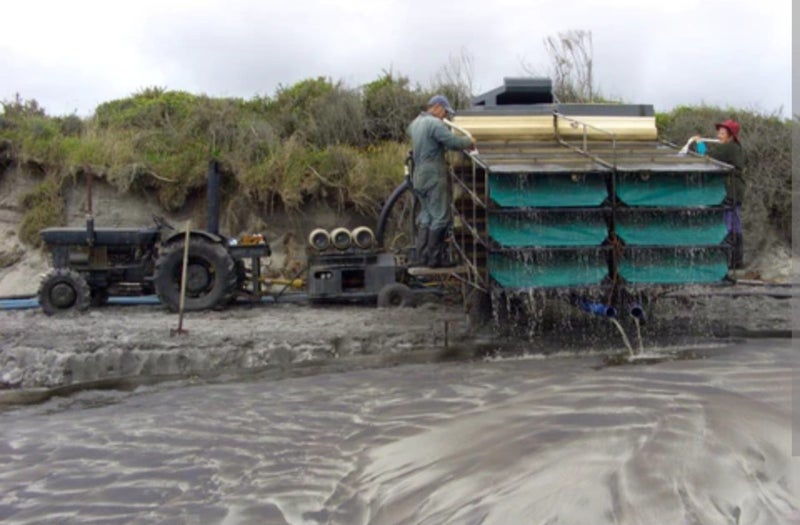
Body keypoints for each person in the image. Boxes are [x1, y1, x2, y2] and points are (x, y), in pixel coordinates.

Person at [407, 95, 476, 268]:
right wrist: (469, 141)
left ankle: (422, 257)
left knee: (426, 216)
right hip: (433, 174)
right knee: (441, 216)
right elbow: (453, 142)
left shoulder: (415, 124)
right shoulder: (434, 124)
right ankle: (435, 259)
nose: (445, 117)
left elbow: (426, 141)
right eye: (445, 112)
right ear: (437, 107)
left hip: (418, 175)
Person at [693, 119, 745, 269]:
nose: (719, 135)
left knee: (727, 225)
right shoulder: (735, 147)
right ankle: (736, 262)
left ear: (730, 136)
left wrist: (699, 143)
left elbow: (707, 157)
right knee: (735, 225)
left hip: (730, 191)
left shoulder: (729, 148)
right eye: (719, 132)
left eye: (722, 133)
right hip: (736, 191)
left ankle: (728, 262)